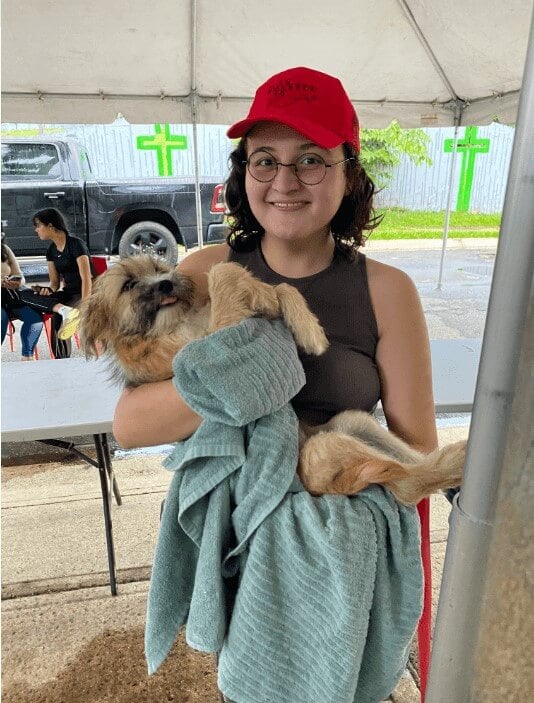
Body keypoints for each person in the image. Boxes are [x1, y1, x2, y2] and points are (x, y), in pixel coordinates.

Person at [113, 66, 437, 699]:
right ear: (243, 173)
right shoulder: (208, 271)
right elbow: (129, 423)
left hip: (339, 551)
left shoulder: (387, 292)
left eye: (311, 160)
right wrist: (235, 385)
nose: (285, 182)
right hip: (242, 545)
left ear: (349, 172)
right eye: (264, 160)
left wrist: (330, 495)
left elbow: (416, 448)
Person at [16, 208, 94, 358]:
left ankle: (62, 357)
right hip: (67, 294)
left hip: (84, 292)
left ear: (50, 226)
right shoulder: (51, 251)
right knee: (23, 293)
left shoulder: (76, 245)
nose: (36, 230)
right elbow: (54, 284)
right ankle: (64, 310)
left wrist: (85, 304)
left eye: (38, 225)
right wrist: (47, 291)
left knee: (58, 318)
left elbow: (87, 278)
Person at [1, 234, 44, 360]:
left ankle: (27, 356)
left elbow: (20, 275)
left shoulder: (5, 250)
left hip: (12, 297)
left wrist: (17, 282)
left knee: (35, 318)